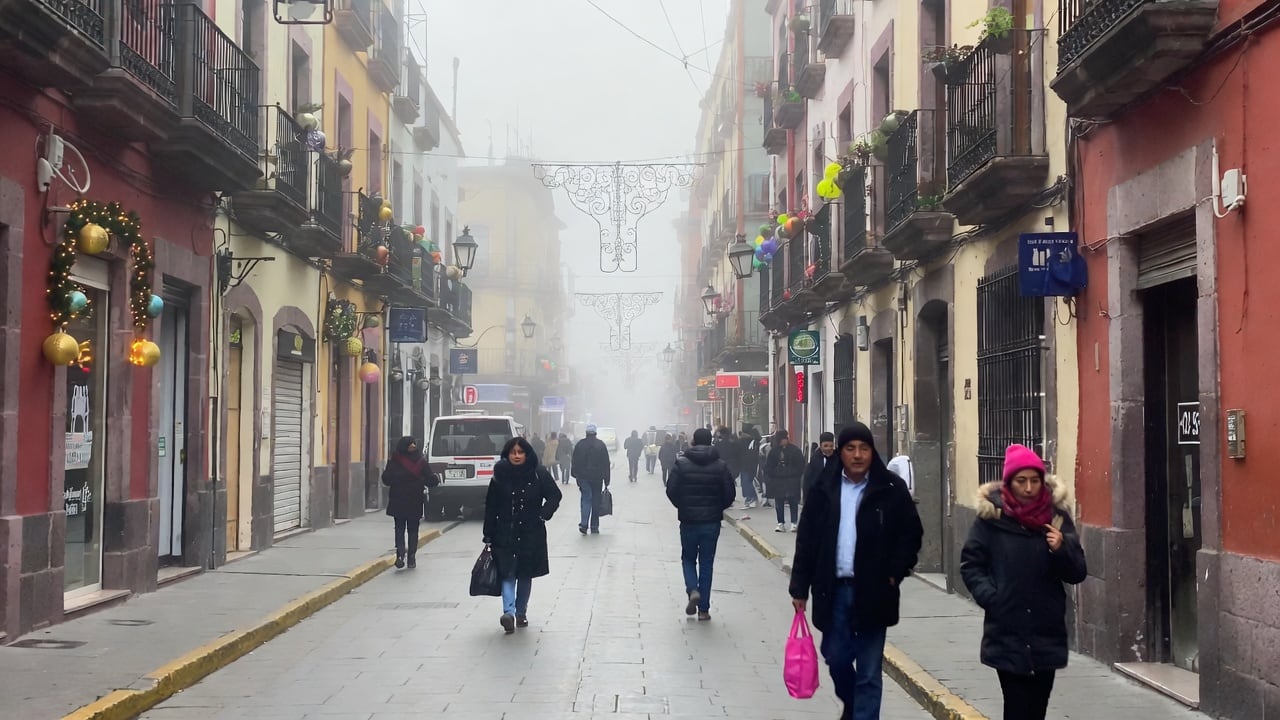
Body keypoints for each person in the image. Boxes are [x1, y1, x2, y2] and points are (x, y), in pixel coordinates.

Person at [789, 422, 924, 720]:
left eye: (864, 448)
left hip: (875, 590)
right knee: (835, 657)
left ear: (872, 451)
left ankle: (863, 713)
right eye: (851, 448)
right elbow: (807, 539)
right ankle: (852, 704)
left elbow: (910, 534)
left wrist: (895, 571)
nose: (858, 455)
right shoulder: (824, 487)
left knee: (869, 670)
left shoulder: (890, 488)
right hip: (833, 589)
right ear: (841, 451)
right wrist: (799, 586)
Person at [960, 445, 1087, 720]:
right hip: (1007, 629)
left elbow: (1077, 572)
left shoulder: (1056, 518)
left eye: (1034, 480)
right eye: (1021, 481)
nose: (1029, 488)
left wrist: (1062, 547)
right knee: (1017, 708)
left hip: (1046, 630)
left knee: (1037, 709)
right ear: (1009, 482)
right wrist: (993, 598)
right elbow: (971, 564)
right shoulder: (991, 519)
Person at [482, 437, 562, 634]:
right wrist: (488, 533)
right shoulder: (499, 476)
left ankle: (520, 612)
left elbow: (554, 495)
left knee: (525, 574)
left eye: (520, 452)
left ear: (527, 454)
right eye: (513, 452)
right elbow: (491, 506)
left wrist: (543, 515)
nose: (516, 456)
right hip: (505, 532)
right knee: (507, 573)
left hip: (530, 532)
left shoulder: (538, 473)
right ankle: (508, 613)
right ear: (507, 454)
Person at [665, 428, 736, 621]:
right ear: (711, 441)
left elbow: (671, 490)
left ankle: (693, 589)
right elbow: (730, 494)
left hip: (688, 521)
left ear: (693, 441)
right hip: (711, 522)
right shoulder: (721, 466)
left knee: (688, 558)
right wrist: (717, 508)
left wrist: (683, 506)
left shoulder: (682, 463)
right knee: (707, 563)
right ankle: (704, 609)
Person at [382, 436, 440, 569]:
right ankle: (411, 557)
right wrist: (429, 480)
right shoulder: (421, 461)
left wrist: (397, 478)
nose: (413, 446)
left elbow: (386, 479)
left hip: (398, 500)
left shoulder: (395, 460)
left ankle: (400, 554)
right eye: (412, 445)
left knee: (399, 528)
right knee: (413, 530)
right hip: (415, 500)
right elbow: (431, 480)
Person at [762, 429, 806, 532]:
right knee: (779, 502)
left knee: (793, 502)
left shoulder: (795, 450)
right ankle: (780, 522)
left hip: (792, 480)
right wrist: (770, 477)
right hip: (778, 481)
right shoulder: (774, 451)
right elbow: (768, 466)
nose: (783, 441)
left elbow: (800, 465)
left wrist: (795, 475)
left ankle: (794, 523)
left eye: (785, 439)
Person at [571, 424, 611, 534]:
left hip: (583, 478)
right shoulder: (601, 445)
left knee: (586, 499)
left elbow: (574, 461)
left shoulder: (580, 445)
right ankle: (594, 526)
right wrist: (607, 479)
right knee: (596, 501)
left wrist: (575, 474)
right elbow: (606, 463)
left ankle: (584, 524)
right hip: (597, 478)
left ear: (586, 433)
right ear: (595, 433)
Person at [804, 432, 838, 503]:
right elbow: (807, 480)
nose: (829, 448)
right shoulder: (814, 460)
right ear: (821, 446)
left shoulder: (839, 458)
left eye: (831, 446)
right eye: (825, 446)